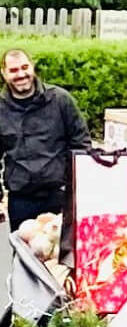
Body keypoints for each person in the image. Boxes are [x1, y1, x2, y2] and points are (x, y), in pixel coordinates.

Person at [0, 48, 90, 232]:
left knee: (59, 257)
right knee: (24, 258)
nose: (21, 74)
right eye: (14, 70)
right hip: (21, 200)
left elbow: (81, 144)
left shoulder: (60, 100)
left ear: (32, 67)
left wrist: (75, 186)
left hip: (59, 196)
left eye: (25, 67)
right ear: (4, 73)